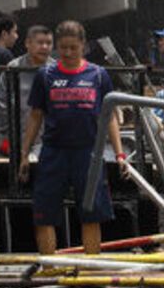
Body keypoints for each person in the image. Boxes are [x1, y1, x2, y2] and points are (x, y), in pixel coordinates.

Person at [19, 20, 125, 256]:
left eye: (73, 48)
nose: (67, 53)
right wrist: (24, 153)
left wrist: (119, 154)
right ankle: (49, 267)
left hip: (89, 153)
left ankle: (92, 271)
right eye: (63, 48)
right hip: (53, 152)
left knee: (91, 212)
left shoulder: (98, 75)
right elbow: (35, 116)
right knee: (44, 213)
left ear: (83, 46)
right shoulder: (45, 75)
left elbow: (109, 118)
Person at [0, 24, 53, 155]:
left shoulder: (56, 71)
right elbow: (2, 102)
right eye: (40, 42)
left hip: (48, 141)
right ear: (28, 43)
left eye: (48, 43)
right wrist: (8, 134)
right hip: (18, 139)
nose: (44, 47)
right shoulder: (14, 68)